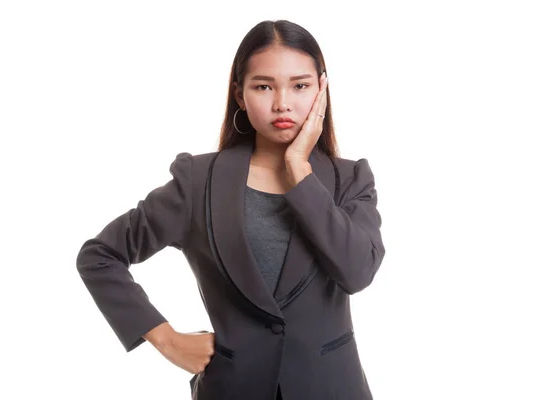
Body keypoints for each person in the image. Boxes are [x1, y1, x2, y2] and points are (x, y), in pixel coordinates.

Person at [76, 19, 385, 400]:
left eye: (300, 85)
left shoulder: (350, 179)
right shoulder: (197, 182)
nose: (282, 103)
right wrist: (167, 339)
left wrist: (300, 170)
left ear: (322, 90)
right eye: (263, 86)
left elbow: (357, 272)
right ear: (240, 94)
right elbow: (99, 255)